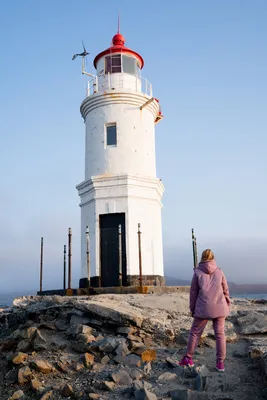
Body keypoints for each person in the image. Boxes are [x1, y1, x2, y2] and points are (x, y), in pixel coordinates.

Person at [179, 249, 230, 372]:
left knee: (195, 333)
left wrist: (192, 309)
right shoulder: (219, 271)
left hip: (203, 307)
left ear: (202, 258)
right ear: (213, 258)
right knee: (220, 334)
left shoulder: (197, 272)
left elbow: (193, 293)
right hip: (220, 307)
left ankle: (188, 358)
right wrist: (227, 304)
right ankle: (220, 364)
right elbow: (225, 290)